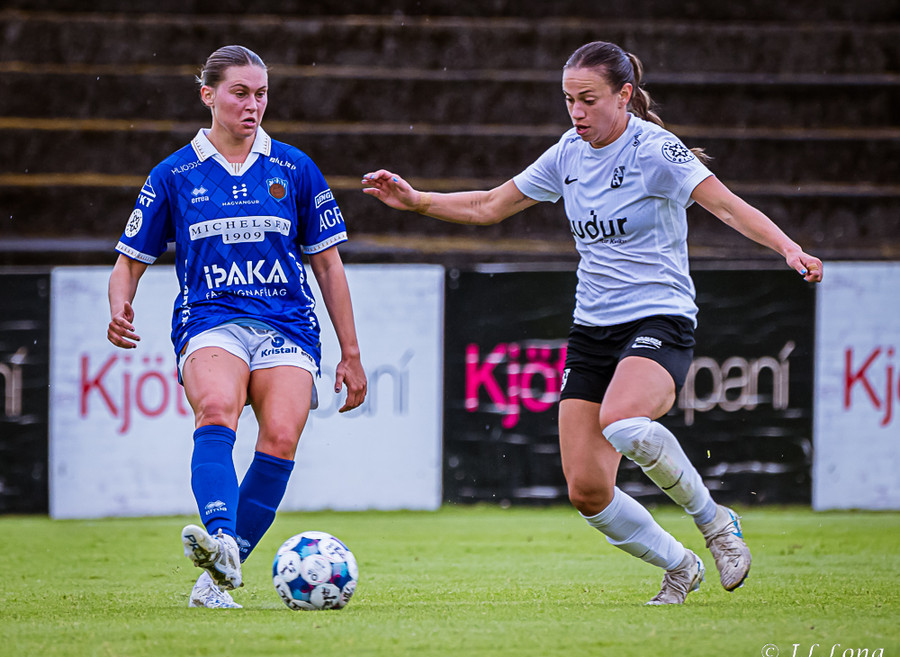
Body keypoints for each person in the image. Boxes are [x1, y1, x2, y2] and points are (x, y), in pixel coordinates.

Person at [362, 40, 823, 605]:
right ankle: (679, 565)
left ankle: (716, 523)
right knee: (586, 490)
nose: (576, 112)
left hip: (659, 316)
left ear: (624, 95)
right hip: (592, 330)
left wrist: (789, 248)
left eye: (588, 99)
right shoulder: (567, 154)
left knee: (624, 421)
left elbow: (726, 205)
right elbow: (489, 206)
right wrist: (417, 202)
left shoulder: (656, 150)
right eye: (568, 100)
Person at [108, 45, 367, 609]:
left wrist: (350, 352)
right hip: (211, 318)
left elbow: (328, 265)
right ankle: (223, 537)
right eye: (240, 93)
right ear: (208, 95)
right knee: (216, 409)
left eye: (262, 94)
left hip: (287, 323)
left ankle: (216, 577)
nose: (254, 105)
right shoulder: (174, 174)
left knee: (280, 438)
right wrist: (120, 305)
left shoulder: (294, 168)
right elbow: (129, 262)